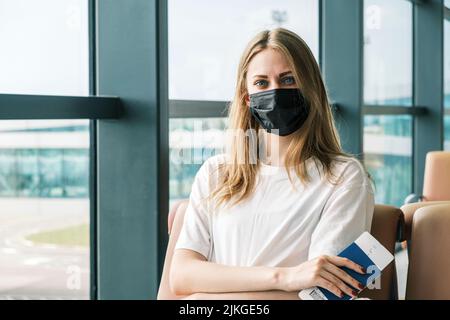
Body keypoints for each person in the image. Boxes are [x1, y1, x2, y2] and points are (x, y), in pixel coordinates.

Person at [167, 28, 374, 300]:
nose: (276, 91)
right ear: (247, 98)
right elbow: (182, 277)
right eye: (262, 83)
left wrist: (205, 296)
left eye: (288, 79)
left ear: (311, 89)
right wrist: (285, 276)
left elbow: (322, 293)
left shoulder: (343, 177)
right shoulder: (217, 172)